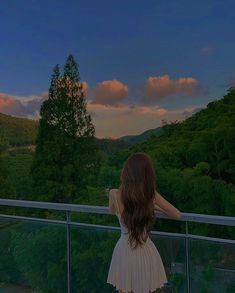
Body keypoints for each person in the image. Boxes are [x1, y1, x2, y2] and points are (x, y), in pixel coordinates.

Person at [106, 152, 182, 293]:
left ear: (126, 172)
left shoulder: (114, 194)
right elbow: (177, 214)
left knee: (125, 288)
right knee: (147, 289)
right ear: (147, 174)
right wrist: (152, 204)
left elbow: (111, 211)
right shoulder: (150, 194)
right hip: (145, 249)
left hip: (124, 249)